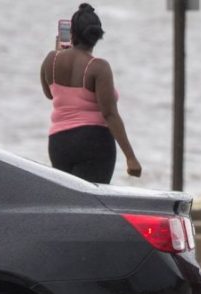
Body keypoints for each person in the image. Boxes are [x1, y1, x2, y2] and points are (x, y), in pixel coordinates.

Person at [40, 3, 142, 184]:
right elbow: (109, 114)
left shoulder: (51, 60)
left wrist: (59, 53)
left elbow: (50, 94)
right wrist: (130, 157)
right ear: (97, 36)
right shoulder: (98, 67)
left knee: (68, 205)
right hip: (93, 143)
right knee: (92, 204)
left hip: (59, 144)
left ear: (72, 33)